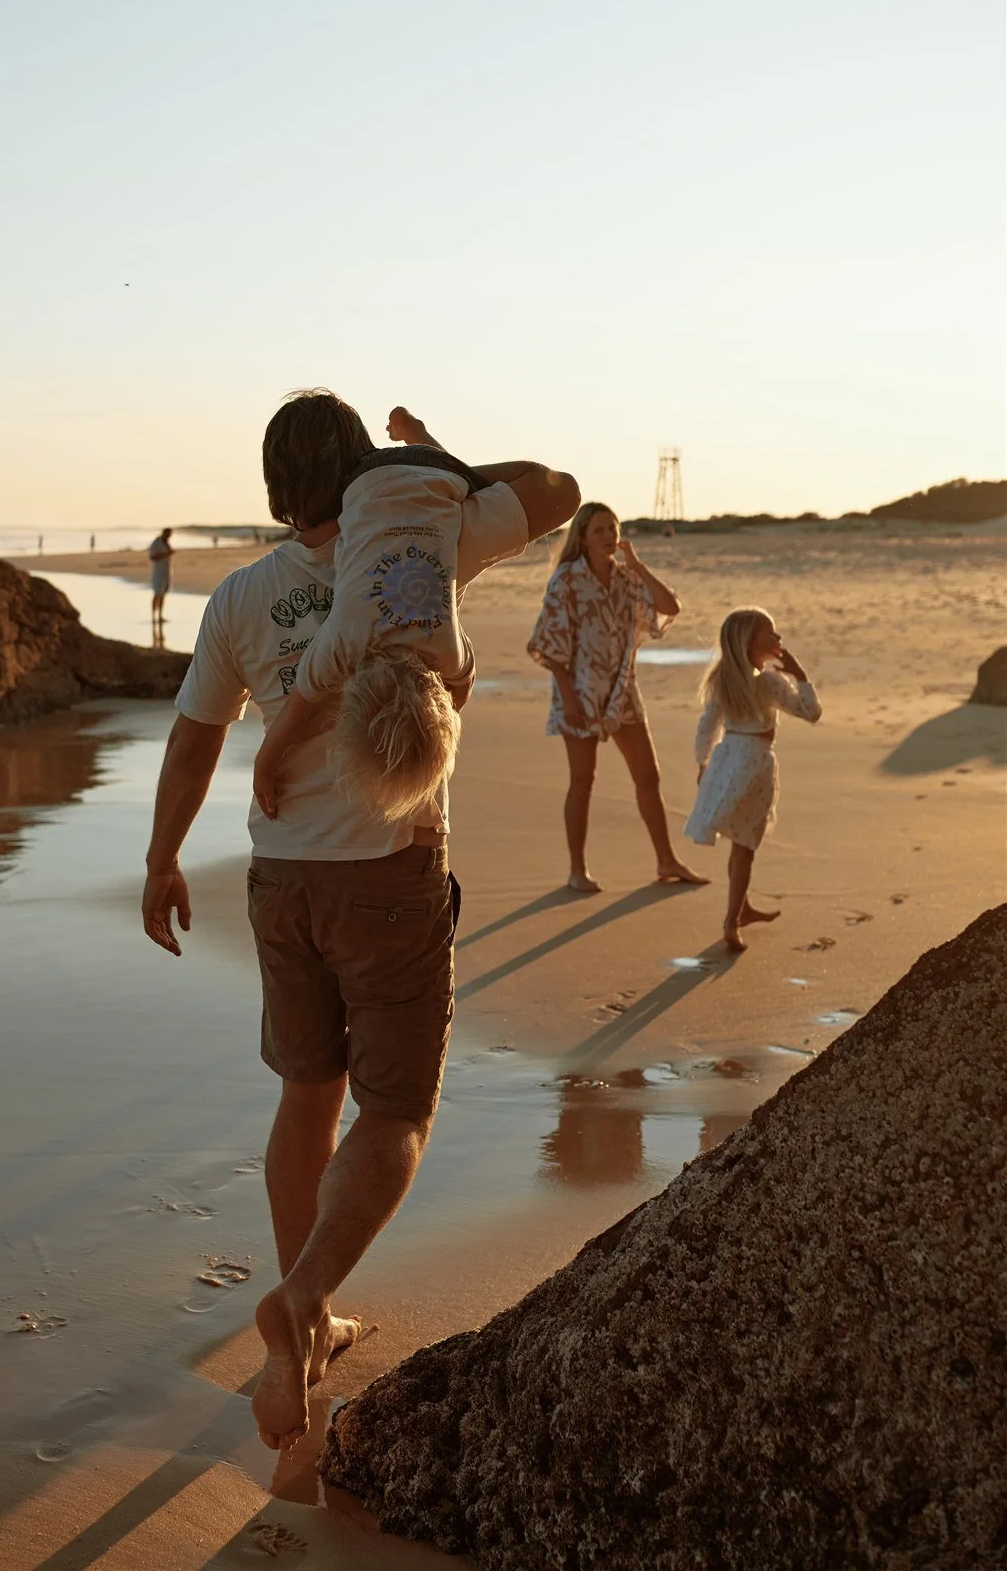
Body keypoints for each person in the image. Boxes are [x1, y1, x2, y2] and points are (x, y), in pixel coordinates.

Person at [141, 390, 578, 1453]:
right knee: (394, 1113)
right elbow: (557, 489)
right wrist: (434, 454)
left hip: (280, 875)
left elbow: (198, 737)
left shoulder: (240, 594)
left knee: (306, 1095)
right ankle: (302, 1297)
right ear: (357, 469)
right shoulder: (426, 536)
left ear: (272, 489)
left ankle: (306, 1321)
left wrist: (160, 855)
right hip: (387, 871)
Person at [253, 407, 488, 825]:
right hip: (414, 853)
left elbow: (456, 491)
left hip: (288, 851)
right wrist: (266, 762)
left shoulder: (243, 595)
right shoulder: (446, 545)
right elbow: (463, 495)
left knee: (447, 485)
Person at [527, 502, 706, 895]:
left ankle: (666, 859)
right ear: (583, 538)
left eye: (613, 528)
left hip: (622, 689)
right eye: (599, 531)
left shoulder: (628, 578)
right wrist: (569, 699)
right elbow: (548, 643)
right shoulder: (567, 580)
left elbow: (670, 607)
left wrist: (638, 566)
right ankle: (577, 870)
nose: (608, 536)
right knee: (582, 780)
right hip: (578, 691)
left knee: (648, 775)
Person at [684, 609, 821, 951]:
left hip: (728, 760)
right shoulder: (770, 683)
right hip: (757, 762)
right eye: (770, 635)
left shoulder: (723, 680)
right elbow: (810, 713)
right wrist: (800, 676)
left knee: (739, 839)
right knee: (745, 844)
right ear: (749, 641)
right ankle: (732, 920)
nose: (778, 640)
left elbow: (707, 726)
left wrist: (704, 763)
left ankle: (741, 907)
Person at [148, 527, 174, 635]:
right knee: (157, 594)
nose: (169, 536)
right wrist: (166, 554)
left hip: (167, 572)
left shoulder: (167, 543)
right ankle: (153, 615)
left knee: (163, 594)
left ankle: (160, 615)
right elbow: (152, 557)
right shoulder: (156, 542)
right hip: (158, 572)